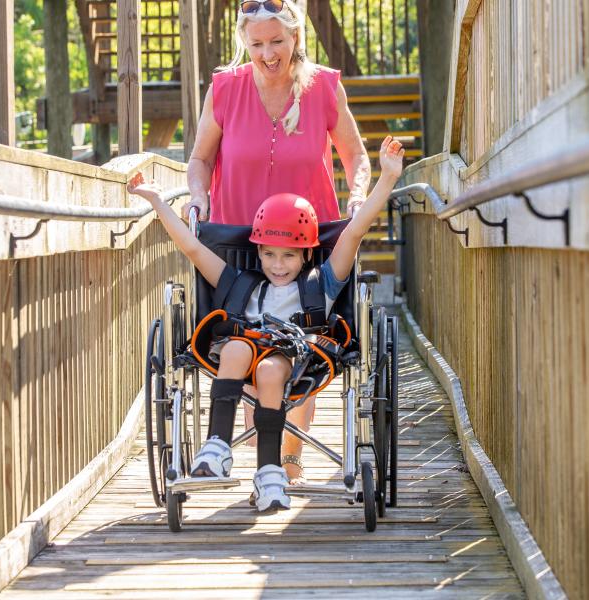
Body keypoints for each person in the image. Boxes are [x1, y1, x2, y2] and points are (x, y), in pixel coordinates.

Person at [128, 136, 404, 511]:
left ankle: (270, 471)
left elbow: (354, 231)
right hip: (244, 354)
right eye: (269, 254)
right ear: (257, 250)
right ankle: (217, 446)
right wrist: (157, 201)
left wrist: (386, 178)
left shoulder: (320, 282)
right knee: (239, 346)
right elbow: (192, 248)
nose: (277, 264)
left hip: (297, 355)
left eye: (289, 255)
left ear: (306, 253)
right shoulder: (242, 283)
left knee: (272, 370)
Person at [181, 0, 372, 484]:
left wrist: (359, 196)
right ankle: (262, 450)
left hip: (306, 243)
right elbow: (200, 159)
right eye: (257, 43)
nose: (268, 53)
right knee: (249, 338)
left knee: (301, 336)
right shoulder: (225, 88)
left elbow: (355, 156)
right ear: (244, 41)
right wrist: (197, 199)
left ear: (295, 38)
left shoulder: (324, 87)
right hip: (241, 241)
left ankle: (288, 457)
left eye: (277, 42)